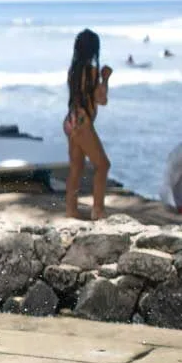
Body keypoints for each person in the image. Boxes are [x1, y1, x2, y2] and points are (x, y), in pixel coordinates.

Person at [62, 29, 113, 220]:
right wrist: (106, 78)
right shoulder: (91, 71)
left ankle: (71, 210)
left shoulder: (73, 71)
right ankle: (98, 210)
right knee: (103, 165)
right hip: (82, 122)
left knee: (76, 167)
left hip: (70, 120)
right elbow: (101, 99)